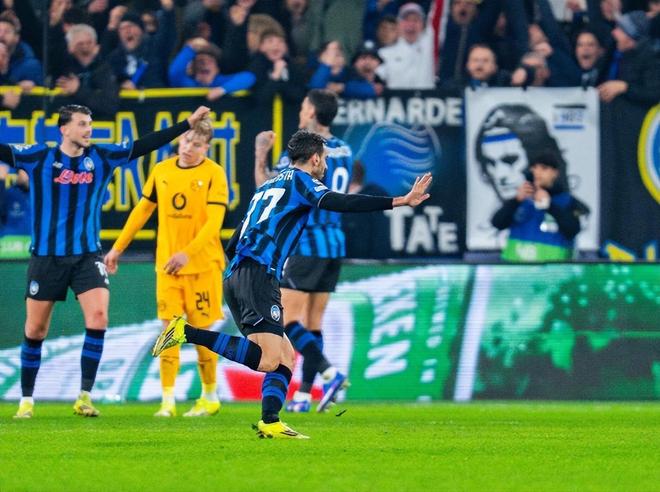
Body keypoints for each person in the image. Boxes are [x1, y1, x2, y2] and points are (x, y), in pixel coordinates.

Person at [152, 130, 432, 439]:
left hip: (241, 273)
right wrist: (400, 201)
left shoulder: (268, 185)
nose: (325, 164)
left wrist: (242, 271)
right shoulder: (302, 181)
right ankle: (186, 332)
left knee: (285, 355)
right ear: (315, 159)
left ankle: (270, 421)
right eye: (324, 158)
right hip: (258, 275)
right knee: (268, 359)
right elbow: (339, 201)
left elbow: (236, 237)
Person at [1, 103, 211, 419]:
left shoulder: (101, 156)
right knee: (36, 329)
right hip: (46, 258)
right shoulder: (38, 157)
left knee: (99, 318)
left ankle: (84, 396)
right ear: (64, 129)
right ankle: (26, 400)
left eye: (90, 123)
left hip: (87, 255)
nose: (89, 129)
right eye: (82, 124)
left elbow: (145, 145)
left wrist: (187, 123)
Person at [104, 117, 228, 418]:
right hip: (168, 267)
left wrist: (188, 253)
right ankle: (168, 401)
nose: (188, 148)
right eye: (185, 141)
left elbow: (214, 224)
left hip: (203, 266)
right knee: (169, 329)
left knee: (201, 333)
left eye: (196, 144)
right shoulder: (162, 170)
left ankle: (210, 395)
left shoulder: (214, 173)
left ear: (207, 147)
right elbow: (142, 210)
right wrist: (117, 248)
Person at [254, 89, 352, 414]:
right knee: (313, 323)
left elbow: (268, 187)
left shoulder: (308, 153)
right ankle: (305, 395)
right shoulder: (345, 149)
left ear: (311, 112)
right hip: (334, 242)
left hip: (306, 242)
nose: (299, 112)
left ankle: (329, 372)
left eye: (302, 107)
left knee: (286, 319)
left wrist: (260, 154)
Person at [491, 151, 582, 261]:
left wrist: (549, 206)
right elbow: (497, 223)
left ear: (555, 173)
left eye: (544, 168)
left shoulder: (566, 200)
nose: (538, 172)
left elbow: (573, 230)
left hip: (551, 268)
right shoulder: (521, 198)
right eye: (534, 168)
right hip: (514, 267)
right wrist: (515, 201)